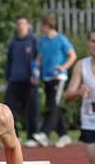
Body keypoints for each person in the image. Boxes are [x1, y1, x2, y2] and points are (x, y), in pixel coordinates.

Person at [32, 14, 77, 148]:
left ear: (46, 25)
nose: (40, 28)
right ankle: (64, 135)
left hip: (58, 77)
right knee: (54, 105)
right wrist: (35, 70)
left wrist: (63, 67)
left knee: (53, 105)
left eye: (41, 25)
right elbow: (39, 57)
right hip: (46, 77)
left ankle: (44, 133)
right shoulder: (43, 40)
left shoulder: (61, 39)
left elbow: (72, 55)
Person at [4, 15, 40, 147]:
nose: (20, 26)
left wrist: (35, 74)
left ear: (28, 25)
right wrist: (7, 77)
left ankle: (32, 135)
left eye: (23, 24)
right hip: (14, 79)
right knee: (9, 106)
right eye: (18, 24)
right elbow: (9, 60)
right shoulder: (13, 41)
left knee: (31, 108)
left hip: (29, 80)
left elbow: (39, 57)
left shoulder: (34, 39)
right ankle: (15, 135)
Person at [66, 28, 95, 164]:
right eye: (93, 41)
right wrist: (79, 91)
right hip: (90, 123)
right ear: (89, 43)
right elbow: (68, 94)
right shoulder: (81, 65)